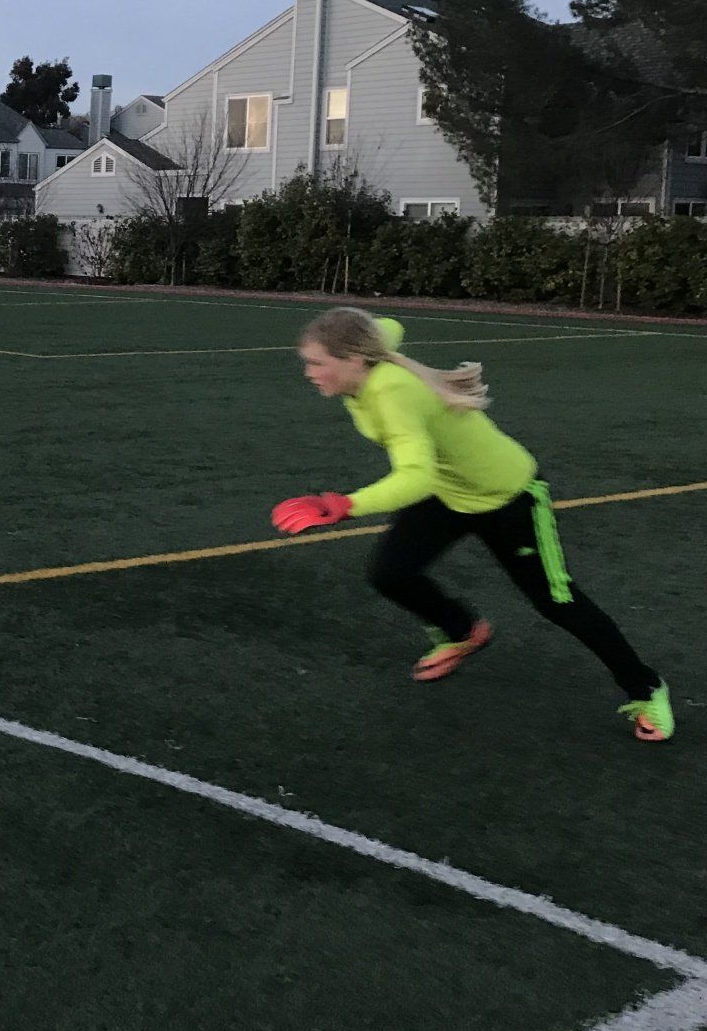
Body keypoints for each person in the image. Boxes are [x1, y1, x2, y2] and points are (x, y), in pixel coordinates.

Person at [272, 306, 672, 742]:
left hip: (509, 497)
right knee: (390, 573)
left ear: (352, 359)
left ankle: (648, 688)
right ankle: (464, 632)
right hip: (449, 494)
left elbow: (415, 475)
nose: (309, 373)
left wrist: (344, 504)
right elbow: (388, 327)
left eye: (316, 363)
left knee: (559, 602)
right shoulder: (370, 351)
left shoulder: (391, 393)